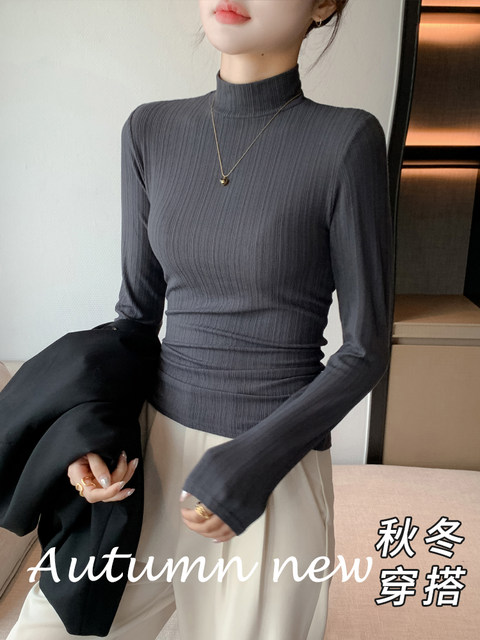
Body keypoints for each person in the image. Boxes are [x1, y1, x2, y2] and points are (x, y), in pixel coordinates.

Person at [7, 0, 393, 638]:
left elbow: (365, 351)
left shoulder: (347, 141)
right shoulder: (150, 130)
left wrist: (257, 459)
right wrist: (90, 437)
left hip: (271, 474)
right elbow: (134, 321)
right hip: (147, 462)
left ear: (324, 4)